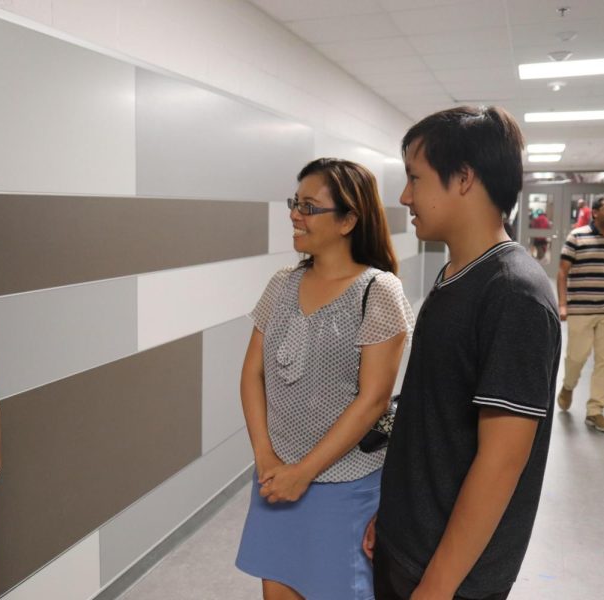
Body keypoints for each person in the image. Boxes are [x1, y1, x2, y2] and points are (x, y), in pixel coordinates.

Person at [364, 106, 561, 600]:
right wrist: (392, 515)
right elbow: (431, 416)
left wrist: (438, 585)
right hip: (409, 543)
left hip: (452, 578)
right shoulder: (458, 273)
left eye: (415, 178)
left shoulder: (513, 294)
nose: (405, 196)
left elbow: (501, 462)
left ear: (465, 179)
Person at [235, 158, 414, 600]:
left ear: (349, 219)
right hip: (274, 480)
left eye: (310, 207)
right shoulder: (281, 284)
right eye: (295, 203)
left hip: (344, 487)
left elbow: (372, 401)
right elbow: (251, 374)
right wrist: (267, 459)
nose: (296, 214)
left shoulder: (379, 291)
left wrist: (304, 473)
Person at [557, 195, 604, 433]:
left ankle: (595, 410)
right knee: (576, 357)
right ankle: (568, 386)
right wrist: (562, 304)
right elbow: (562, 272)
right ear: (596, 212)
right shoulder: (576, 237)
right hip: (581, 308)